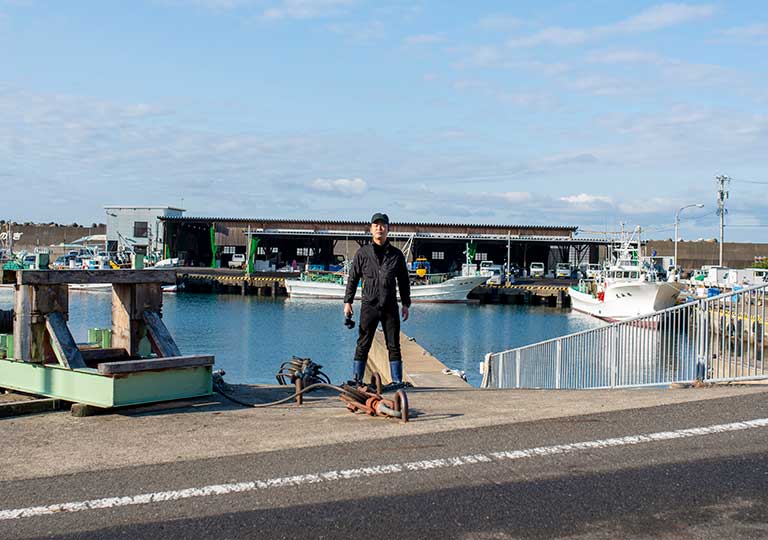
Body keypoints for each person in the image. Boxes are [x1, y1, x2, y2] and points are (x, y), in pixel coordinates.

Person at [343, 212, 411, 390]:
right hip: (369, 305)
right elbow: (353, 278)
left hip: (390, 307)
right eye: (376, 225)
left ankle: (396, 380)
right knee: (363, 343)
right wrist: (347, 301)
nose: (379, 228)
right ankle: (357, 378)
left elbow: (404, 281)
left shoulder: (396, 255)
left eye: (383, 225)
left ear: (388, 229)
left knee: (393, 345)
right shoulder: (363, 253)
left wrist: (406, 304)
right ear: (371, 229)